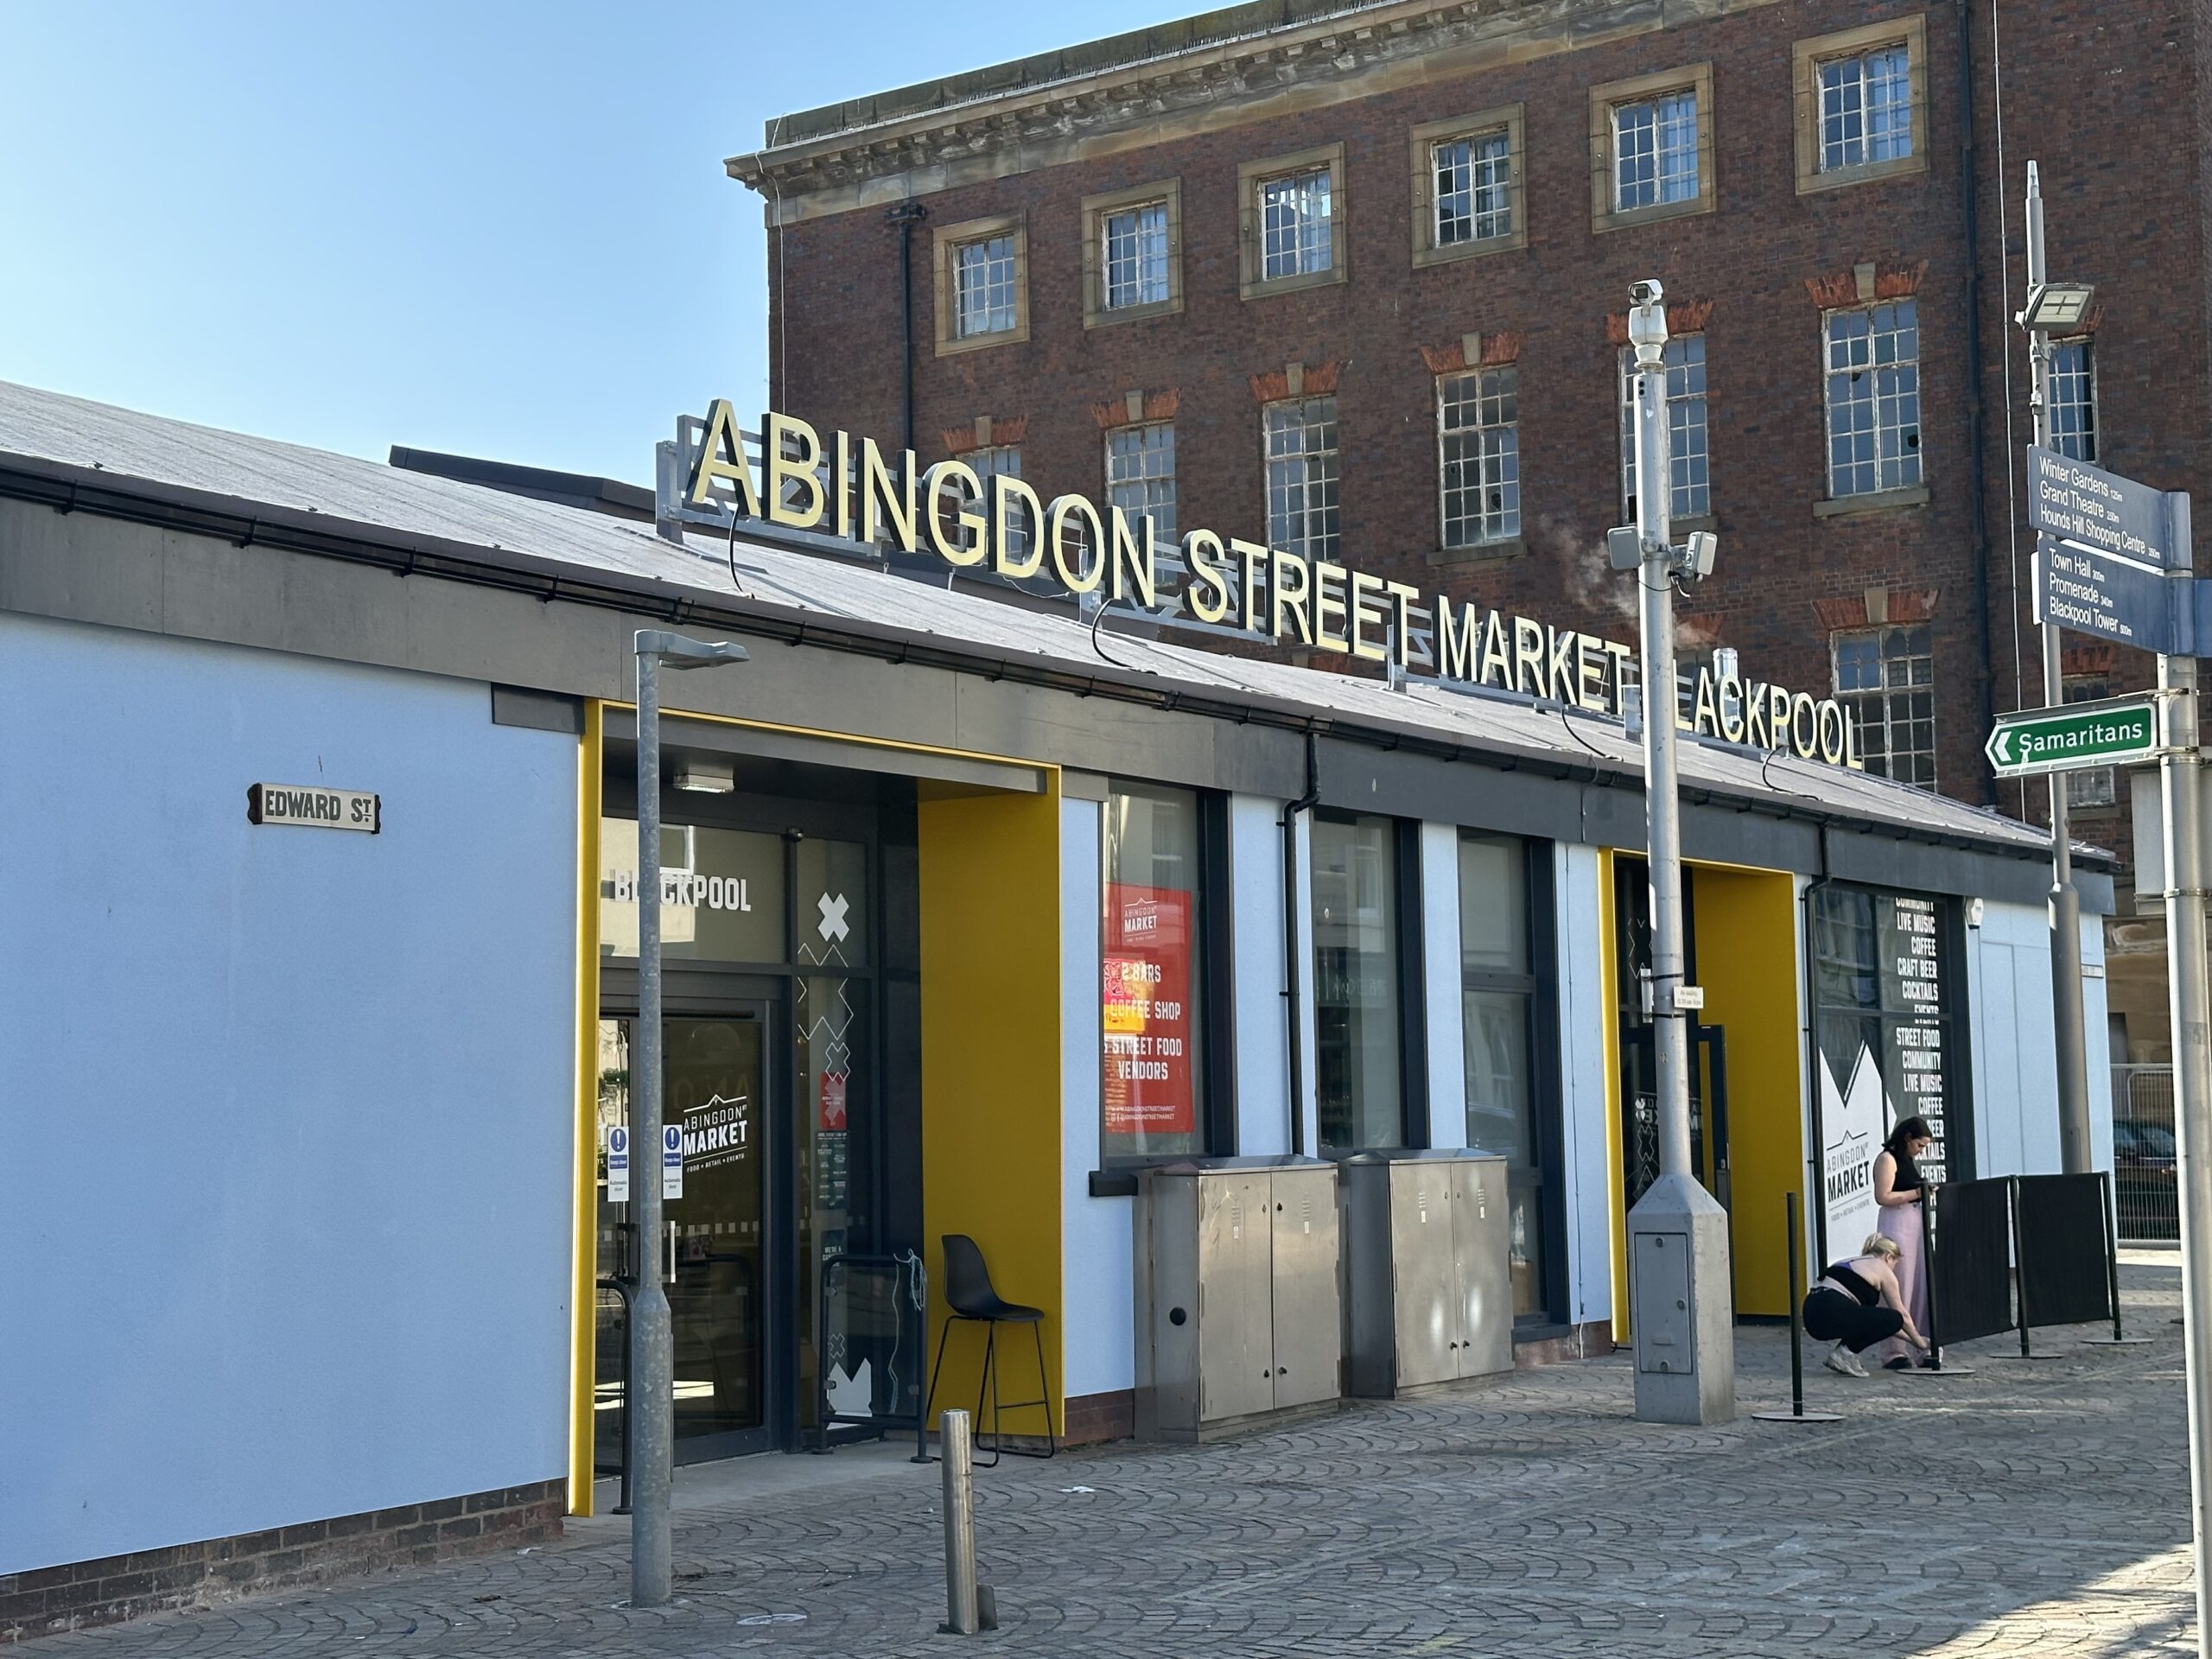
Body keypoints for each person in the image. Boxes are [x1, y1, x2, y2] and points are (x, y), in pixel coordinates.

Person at [1803, 1233, 1930, 1377]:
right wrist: (1921, 1343)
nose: (1894, 1269)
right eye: (1895, 1263)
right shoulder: (1882, 1268)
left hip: (1811, 1313)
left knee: (1885, 1318)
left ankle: (1846, 1353)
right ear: (1888, 1257)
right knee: (1895, 1317)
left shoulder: (1853, 1262)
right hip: (1831, 1309)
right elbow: (1901, 1316)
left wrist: (1913, 1340)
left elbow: (1879, 1323)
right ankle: (1845, 1353)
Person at [1872, 1115, 1936, 1370]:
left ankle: (1923, 1345)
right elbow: (1883, 1196)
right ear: (1907, 1138)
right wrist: (1917, 1193)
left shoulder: (1907, 1160)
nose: (1920, 1152)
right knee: (1899, 1286)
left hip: (1915, 1222)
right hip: (1897, 1223)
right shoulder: (1887, 1159)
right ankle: (1894, 1350)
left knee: (1920, 1285)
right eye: (1919, 1145)